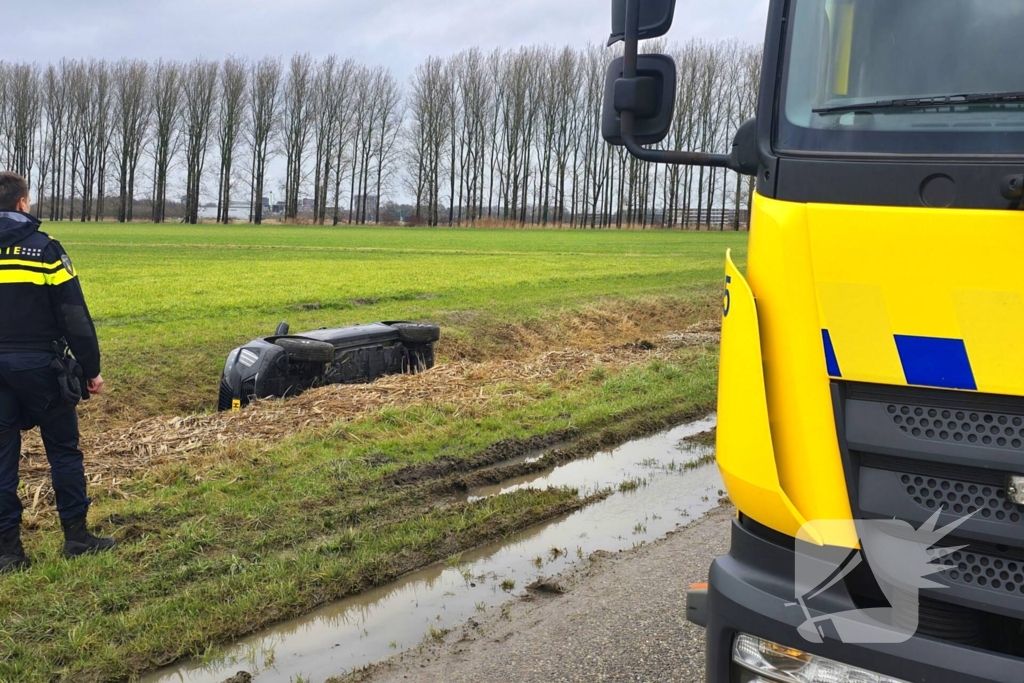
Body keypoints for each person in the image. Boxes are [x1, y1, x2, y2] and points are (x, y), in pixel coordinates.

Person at [0, 171, 114, 573]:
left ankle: (8, 552)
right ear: (22, 203)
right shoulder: (45, 249)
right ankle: (77, 537)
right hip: (41, 367)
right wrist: (90, 369)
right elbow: (73, 315)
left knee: (2, 459)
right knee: (63, 450)